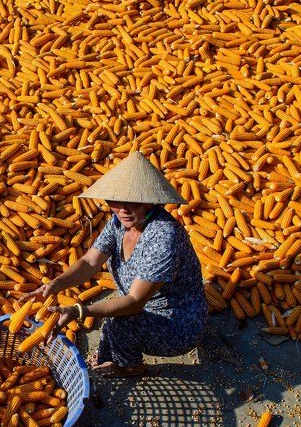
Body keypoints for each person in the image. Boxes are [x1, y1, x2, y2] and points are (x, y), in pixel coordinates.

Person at [24, 151, 207, 377]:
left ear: (151, 199)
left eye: (134, 201)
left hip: (176, 322)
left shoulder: (163, 236)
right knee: (111, 330)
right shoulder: (119, 222)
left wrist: (79, 310)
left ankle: (132, 369)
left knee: (119, 325)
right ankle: (114, 358)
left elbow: (134, 302)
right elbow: (90, 261)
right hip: (136, 305)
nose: (124, 209)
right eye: (116, 201)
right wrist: (56, 284)